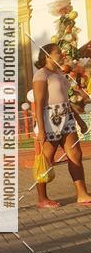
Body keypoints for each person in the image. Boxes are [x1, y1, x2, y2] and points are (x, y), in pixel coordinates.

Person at [32, 43, 91, 208]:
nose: (62, 54)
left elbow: (66, 100)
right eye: (58, 52)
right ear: (47, 56)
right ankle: (42, 198)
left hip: (67, 117)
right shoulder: (41, 75)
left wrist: (79, 120)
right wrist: (41, 129)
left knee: (76, 154)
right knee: (47, 159)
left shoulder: (59, 73)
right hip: (49, 119)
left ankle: (82, 193)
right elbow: (38, 103)